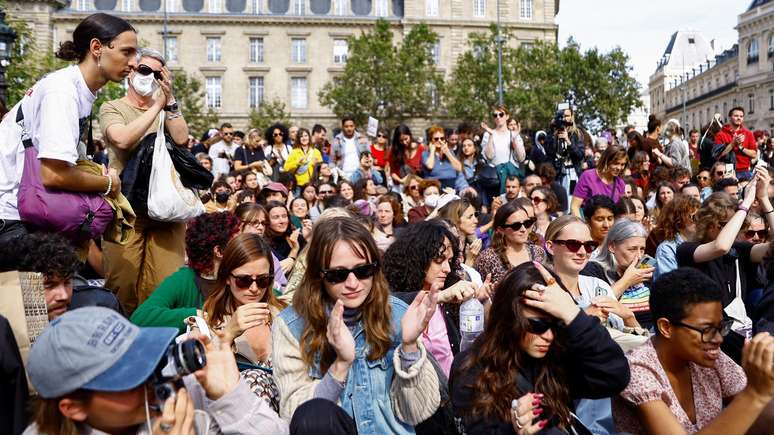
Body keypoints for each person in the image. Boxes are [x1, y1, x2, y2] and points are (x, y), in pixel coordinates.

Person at [271, 216, 441, 434]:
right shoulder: (292, 326)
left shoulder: (398, 314)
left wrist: (409, 347)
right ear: (318, 275)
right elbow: (297, 416)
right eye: (338, 275)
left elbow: (417, 412)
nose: (352, 284)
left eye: (363, 271)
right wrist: (340, 365)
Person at [24, 306, 288, 435]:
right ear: (73, 408)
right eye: (130, 378)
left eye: (145, 357)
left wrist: (232, 397)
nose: (151, 380)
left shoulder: (180, 387)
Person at [451, 261, 630, 434]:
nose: (549, 335)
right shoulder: (472, 368)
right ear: (509, 319)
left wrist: (574, 315)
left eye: (557, 324)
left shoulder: (556, 354)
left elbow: (615, 376)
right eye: (537, 325)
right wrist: (512, 430)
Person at [0, 13, 133, 244]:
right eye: (126, 51)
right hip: (12, 218)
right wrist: (110, 183)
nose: (133, 62)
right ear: (96, 47)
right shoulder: (62, 91)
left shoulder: (76, 89)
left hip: (23, 212)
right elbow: (53, 175)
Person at [612, 268, 774, 435]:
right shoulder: (638, 370)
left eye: (720, 328)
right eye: (707, 329)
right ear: (666, 327)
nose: (718, 339)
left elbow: (762, 417)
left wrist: (767, 384)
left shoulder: (710, 358)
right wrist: (754, 394)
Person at [99, 47, 189, 314]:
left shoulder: (166, 108)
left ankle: (155, 345)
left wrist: (168, 101)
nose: (149, 76)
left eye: (157, 73)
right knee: (122, 285)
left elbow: (182, 140)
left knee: (162, 288)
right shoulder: (112, 107)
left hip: (166, 212)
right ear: (130, 74)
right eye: (144, 69)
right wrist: (157, 107)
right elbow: (123, 139)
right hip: (126, 211)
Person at [677, 167, 774, 362]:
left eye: (735, 223)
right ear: (708, 223)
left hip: (739, 339)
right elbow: (720, 246)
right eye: (725, 224)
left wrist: (763, 200)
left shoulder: (739, 250)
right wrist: (745, 203)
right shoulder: (687, 249)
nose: (732, 229)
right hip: (707, 341)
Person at [384, 220, 486, 378]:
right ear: (417, 258)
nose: (447, 268)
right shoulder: (394, 301)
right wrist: (438, 297)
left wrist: (483, 301)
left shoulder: (450, 299)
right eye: (439, 260)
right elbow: (393, 303)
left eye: (450, 261)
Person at [202, 233, 287, 410]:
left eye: (263, 280)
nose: (254, 288)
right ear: (227, 277)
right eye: (244, 280)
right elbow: (204, 381)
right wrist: (228, 335)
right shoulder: (208, 322)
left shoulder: (284, 314)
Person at [130, 212, 240, 333]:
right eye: (237, 244)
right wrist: (196, 315)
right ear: (218, 251)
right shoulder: (184, 279)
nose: (243, 247)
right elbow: (140, 318)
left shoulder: (245, 276)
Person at [584, 219, 655, 329]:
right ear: (612, 247)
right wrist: (627, 281)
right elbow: (595, 306)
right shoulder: (594, 269)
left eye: (642, 249)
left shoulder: (642, 270)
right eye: (632, 249)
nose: (639, 256)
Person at [475, 201, 547, 287]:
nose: (523, 229)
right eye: (516, 226)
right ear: (501, 230)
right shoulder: (488, 258)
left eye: (527, 223)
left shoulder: (538, 252)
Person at [571, 145, 627, 217]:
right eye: (616, 163)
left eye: (622, 164)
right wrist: (583, 226)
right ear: (607, 161)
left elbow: (620, 212)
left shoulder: (620, 184)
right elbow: (574, 206)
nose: (619, 168)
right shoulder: (588, 176)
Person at [653, 194, 700, 281]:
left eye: (701, 216)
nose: (699, 220)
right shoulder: (666, 249)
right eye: (694, 217)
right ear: (678, 220)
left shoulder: (702, 243)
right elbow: (670, 285)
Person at [481, 106, 527, 194]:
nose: (498, 117)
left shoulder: (514, 134)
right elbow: (489, 156)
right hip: (494, 179)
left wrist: (514, 139)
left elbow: (521, 158)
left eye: (501, 114)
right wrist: (491, 135)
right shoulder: (488, 134)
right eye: (495, 115)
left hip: (512, 180)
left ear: (507, 116)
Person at [715, 107, 757, 180]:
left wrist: (741, 148)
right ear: (730, 117)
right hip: (728, 169)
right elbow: (719, 155)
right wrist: (733, 144)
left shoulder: (748, 133)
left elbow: (754, 154)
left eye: (741, 116)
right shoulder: (720, 134)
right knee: (731, 191)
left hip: (745, 170)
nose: (739, 118)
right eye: (736, 116)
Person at [423, 125, 463, 190]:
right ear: (431, 140)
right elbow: (430, 166)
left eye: (442, 138)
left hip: (450, 189)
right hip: (434, 189)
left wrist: (447, 153)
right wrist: (432, 151)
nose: (439, 141)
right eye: (436, 139)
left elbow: (459, 168)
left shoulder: (449, 152)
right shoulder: (426, 154)